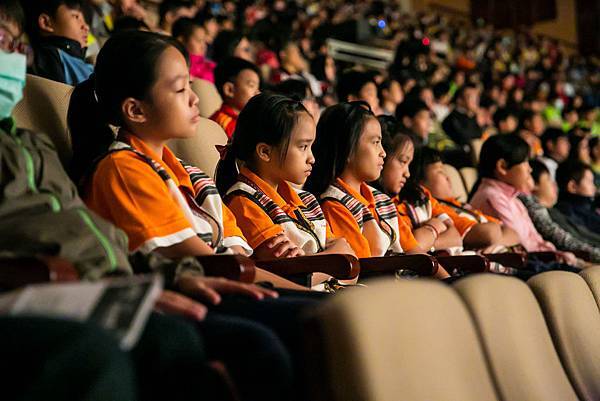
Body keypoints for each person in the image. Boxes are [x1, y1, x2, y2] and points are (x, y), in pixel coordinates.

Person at [67, 30, 319, 401]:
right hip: (186, 292)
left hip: (226, 283)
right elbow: (210, 263)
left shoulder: (187, 172)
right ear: (135, 110)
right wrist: (302, 290)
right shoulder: (122, 169)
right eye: (180, 88)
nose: (195, 97)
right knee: (313, 326)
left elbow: (237, 253)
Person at [216, 93, 354, 285]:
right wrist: (337, 259)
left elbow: (349, 264)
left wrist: (338, 260)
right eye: (303, 147)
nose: (312, 158)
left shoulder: (306, 199)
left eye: (311, 147)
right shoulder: (244, 202)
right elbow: (293, 276)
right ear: (265, 151)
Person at [304, 102, 449, 278]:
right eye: (375, 142)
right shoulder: (334, 204)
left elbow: (416, 252)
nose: (383, 153)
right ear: (347, 148)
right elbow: (366, 269)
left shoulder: (382, 200)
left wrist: (450, 283)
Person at [469, 135, 578, 265]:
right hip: (527, 264)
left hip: (541, 259)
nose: (530, 169)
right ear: (502, 167)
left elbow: (535, 239)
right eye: (525, 162)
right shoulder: (492, 197)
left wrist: (555, 253)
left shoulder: (513, 199)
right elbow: (522, 245)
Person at [519, 160, 600, 263]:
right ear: (532, 184)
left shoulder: (556, 211)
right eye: (548, 179)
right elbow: (571, 241)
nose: (554, 185)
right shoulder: (558, 211)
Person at [21, 0, 93, 85]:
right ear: (46, 23)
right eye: (76, 17)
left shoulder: (82, 61)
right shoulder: (49, 56)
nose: (86, 27)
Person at [210, 57, 261, 139]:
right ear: (229, 90)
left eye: (258, 88)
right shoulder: (224, 123)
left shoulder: (246, 121)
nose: (258, 93)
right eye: (251, 85)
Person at [555, 159, 600, 234]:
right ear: (572, 186)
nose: (594, 187)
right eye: (589, 182)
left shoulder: (589, 206)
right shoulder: (568, 211)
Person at [172, 17, 215, 82]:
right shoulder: (177, 68)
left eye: (204, 41)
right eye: (199, 41)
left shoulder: (210, 67)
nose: (203, 46)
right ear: (181, 41)